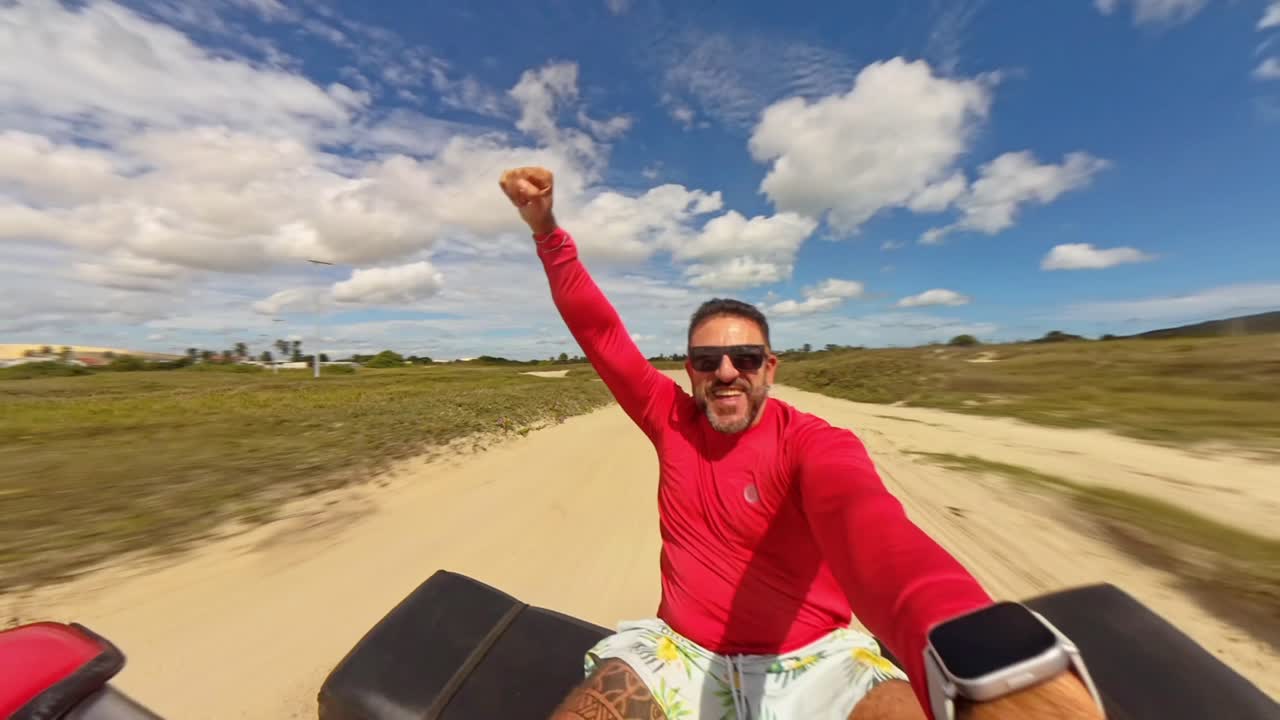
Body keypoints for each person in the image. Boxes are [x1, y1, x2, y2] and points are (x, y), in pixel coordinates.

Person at [498, 167, 1103, 720]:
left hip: (820, 660)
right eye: (708, 359)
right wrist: (547, 231)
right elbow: (600, 332)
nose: (727, 371)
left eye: (746, 358)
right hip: (679, 652)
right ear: (689, 369)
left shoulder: (814, 443)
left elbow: (872, 530)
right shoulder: (669, 418)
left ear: (770, 368)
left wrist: (993, 671)